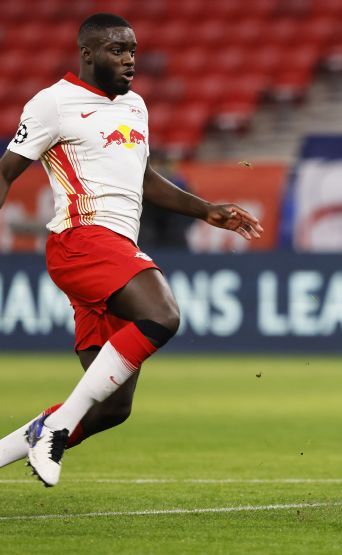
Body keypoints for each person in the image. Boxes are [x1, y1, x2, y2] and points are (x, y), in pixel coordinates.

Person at [0, 13, 263, 487]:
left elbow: (140, 179)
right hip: (81, 240)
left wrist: (204, 210)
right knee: (163, 314)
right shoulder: (52, 104)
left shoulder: (135, 106)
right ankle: (57, 427)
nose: (128, 60)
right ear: (87, 53)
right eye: (116, 50)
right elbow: (5, 172)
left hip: (115, 248)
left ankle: (23, 442)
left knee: (112, 407)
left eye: (132, 51)